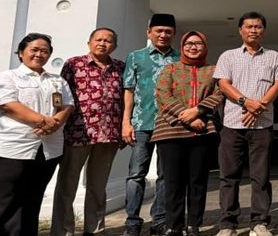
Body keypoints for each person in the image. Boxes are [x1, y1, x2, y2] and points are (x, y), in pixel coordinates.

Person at [0, 33, 74, 236]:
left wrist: (55, 122)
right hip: (12, 148)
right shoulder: (8, 76)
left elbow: (68, 105)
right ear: (21, 53)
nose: (39, 54)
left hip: (48, 150)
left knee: (33, 200)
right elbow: (7, 104)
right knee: (6, 202)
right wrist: (43, 121)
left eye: (45, 51)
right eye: (34, 50)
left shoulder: (57, 80)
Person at [214, 12, 278, 236]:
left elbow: (277, 85)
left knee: (261, 176)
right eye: (249, 26)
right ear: (240, 30)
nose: (253, 30)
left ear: (263, 30)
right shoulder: (228, 56)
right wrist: (247, 102)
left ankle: (259, 223)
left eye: (258, 26)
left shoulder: (273, 56)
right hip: (232, 124)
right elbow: (223, 84)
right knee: (228, 176)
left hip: (262, 126)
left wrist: (258, 107)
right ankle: (228, 224)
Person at [51, 28, 125, 236]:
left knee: (98, 186)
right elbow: (60, 94)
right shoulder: (73, 64)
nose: (102, 43)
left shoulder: (120, 67)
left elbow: (127, 98)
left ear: (114, 46)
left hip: (109, 134)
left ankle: (95, 230)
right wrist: (56, 121)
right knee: (67, 185)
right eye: (98, 39)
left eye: (108, 41)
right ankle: (63, 231)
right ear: (89, 43)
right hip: (77, 132)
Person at [152, 31, 224, 236]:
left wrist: (198, 111)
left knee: (197, 180)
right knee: (173, 181)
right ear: (182, 47)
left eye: (198, 43)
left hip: (202, 131)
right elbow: (162, 95)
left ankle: (193, 224)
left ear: (205, 47)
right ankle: (173, 225)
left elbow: (219, 94)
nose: (193, 47)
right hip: (171, 130)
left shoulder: (213, 71)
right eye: (189, 44)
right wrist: (188, 117)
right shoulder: (170, 69)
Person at [122, 14, 180, 236]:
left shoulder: (180, 58)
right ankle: (132, 222)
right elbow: (129, 90)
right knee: (136, 174)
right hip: (141, 123)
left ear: (173, 34)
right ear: (149, 32)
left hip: (170, 125)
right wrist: (126, 122)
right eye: (159, 31)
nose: (163, 35)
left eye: (168, 31)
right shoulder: (136, 57)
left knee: (166, 175)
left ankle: (160, 221)